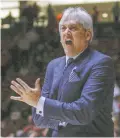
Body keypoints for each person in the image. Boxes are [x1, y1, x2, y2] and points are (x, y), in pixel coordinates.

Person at [10, 7, 115, 137]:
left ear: (88, 35)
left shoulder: (101, 63)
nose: (66, 32)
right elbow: (40, 120)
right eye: (63, 28)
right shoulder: (53, 66)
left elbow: (84, 112)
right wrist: (42, 105)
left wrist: (41, 103)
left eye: (73, 28)